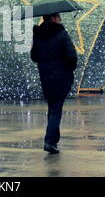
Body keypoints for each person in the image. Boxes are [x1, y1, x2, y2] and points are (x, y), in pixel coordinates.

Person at [31, 13, 78, 154]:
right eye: (58, 16)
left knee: (53, 108)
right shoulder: (62, 34)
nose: (60, 19)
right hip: (62, 77)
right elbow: (72, 56)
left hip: (45, 77)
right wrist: (69, 67)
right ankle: (50, 141)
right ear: (52, 18)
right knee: (56, 109)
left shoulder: (38, 35)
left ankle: (53, 141)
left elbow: (34, 56)